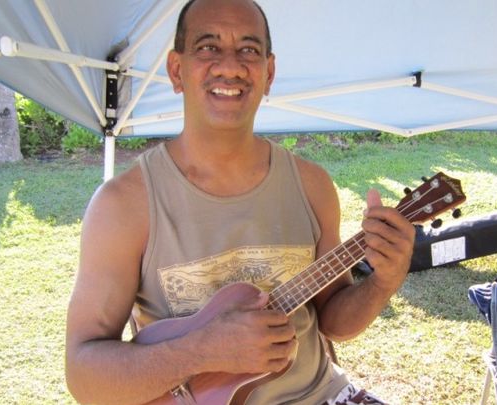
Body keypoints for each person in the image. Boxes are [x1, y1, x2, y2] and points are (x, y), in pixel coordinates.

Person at [64, 0, 415, 403]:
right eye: (208, 47)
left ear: (268, 73)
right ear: (176, 70)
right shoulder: (123, 206)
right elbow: (84, 375)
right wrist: (202, 350)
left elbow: (334, 321)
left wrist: (383, 283)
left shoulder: (312, 185)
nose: (230, 66)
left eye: (248, 49)